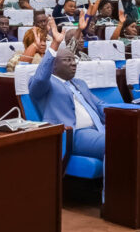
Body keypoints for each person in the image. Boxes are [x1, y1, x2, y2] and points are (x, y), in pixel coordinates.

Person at [28, 22, 108, 160]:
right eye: (67, 60)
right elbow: (40, 79)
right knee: (116, 142)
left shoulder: (80, 83)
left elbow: (100, 104)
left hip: (100, 128)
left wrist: (123, 115)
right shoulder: (46, 83)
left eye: (74, 60)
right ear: (53, 66)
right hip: (74, 134)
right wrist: (54, 45)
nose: (73, 63)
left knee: (134, 135)